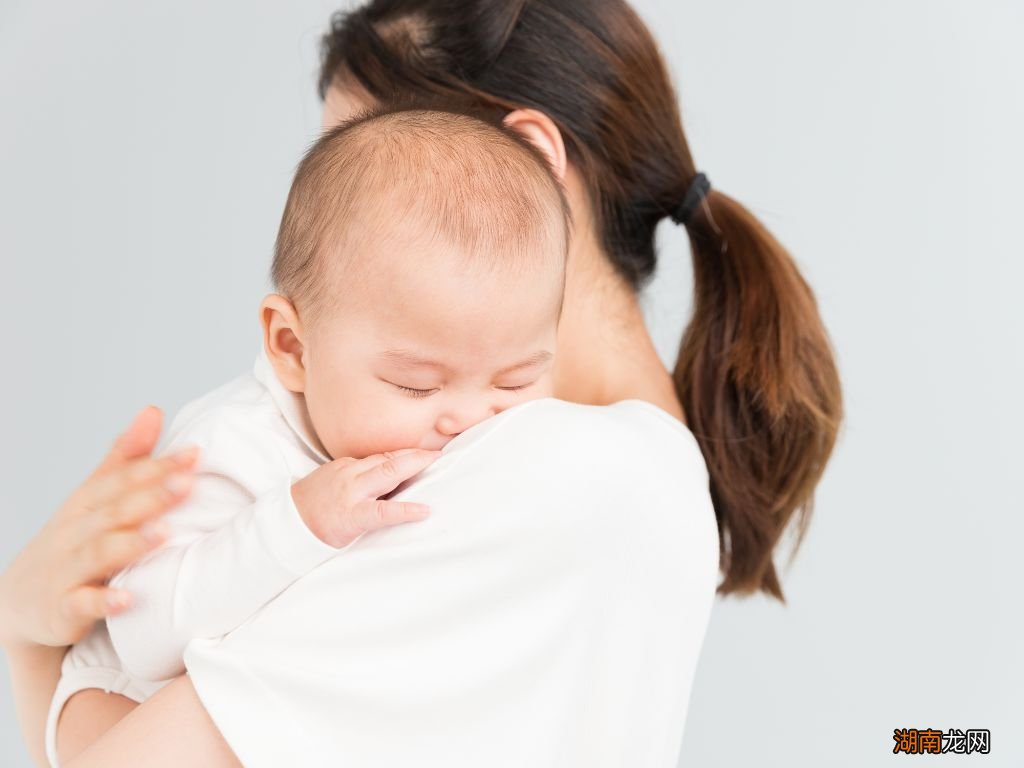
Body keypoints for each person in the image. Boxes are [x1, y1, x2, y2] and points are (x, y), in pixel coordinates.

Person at [0, 0, 844, 765]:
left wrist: (34, 641)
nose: (338, 227)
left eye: (371, 166)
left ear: (528, 161)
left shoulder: (563, 472)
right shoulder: (627, 479)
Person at [41, 104, 573, 766]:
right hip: (117, 704)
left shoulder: (514, 449)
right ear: (293, 347)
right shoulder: (227, 445)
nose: (467, 418)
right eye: (416, 385)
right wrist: (296, 523)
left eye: (515, 381)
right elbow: (143, 635)